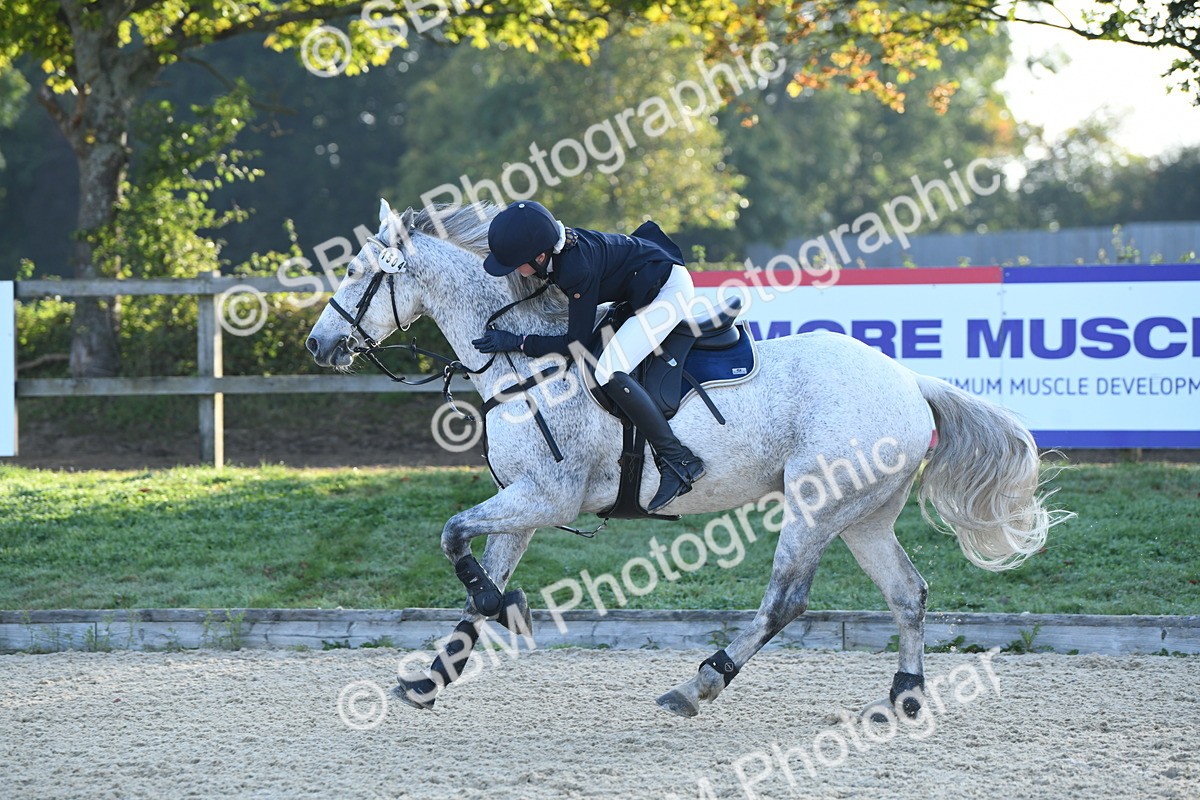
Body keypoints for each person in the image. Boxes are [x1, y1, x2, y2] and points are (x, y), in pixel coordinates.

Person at [472, 200, 704, 512]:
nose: (517, 271)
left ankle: (678, 460)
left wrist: (517, 341)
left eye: (519, 264)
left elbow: (574, 346)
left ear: (540, 256)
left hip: (668, 292)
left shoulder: (574, 268)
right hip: (642, 282)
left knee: (608, 369)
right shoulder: (561, 254)